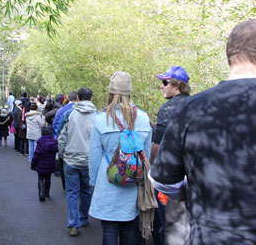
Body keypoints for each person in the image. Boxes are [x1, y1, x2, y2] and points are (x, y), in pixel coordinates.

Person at [150, 19, 256, 244]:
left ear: (229, 54)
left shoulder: (189, 109)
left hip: (210, 233)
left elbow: (163, 180)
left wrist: (191, 192)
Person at [88, 72, 152, 245]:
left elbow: (94, 156)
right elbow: (146, 155)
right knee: (129, 227)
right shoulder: (144, 119)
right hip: (133, 182)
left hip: (107, 180)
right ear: (129, 91)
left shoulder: (101, 119)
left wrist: (93, 182)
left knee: (109, 228)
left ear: (111, 92)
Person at [139, 66, 191, 245]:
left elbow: (157, 145)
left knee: (166, 224)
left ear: (177, 86)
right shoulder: (196, 104)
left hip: (170, 175)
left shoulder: (168, 108)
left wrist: (152, 170)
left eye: (164, 82)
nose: (161, 86)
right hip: (192, 175)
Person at [57, 87, 97, 237]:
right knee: (86, 191)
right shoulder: (99, 116)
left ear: (78, 99)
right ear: (91, 98)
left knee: (72, 192)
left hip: (71, 159)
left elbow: (61, 137)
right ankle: (84, 218)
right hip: (89, 160)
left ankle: (73, 225)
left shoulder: (69, 113)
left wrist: (62, 154)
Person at [30, 126, 57, 201]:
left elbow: (36, 155)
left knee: (41, 179)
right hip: (50, 165)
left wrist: (33, 165)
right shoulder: (54, 142)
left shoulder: (40, 143)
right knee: (48, 179)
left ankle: (41, 193)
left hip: (40, 165)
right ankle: (47, 193)